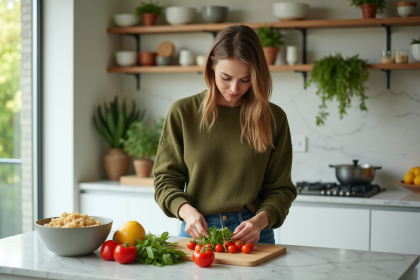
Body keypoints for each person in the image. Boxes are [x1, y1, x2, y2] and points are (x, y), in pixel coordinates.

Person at [153, 25, 297, 245]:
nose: (234, 88)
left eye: (246, 79)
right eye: (226, 77)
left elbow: (281, 189)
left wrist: (258, 222)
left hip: (254, 233)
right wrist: (187, 212)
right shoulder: (183, 112)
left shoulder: (274, 118)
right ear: (212, 64)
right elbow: (165, 180)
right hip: (197, 230)